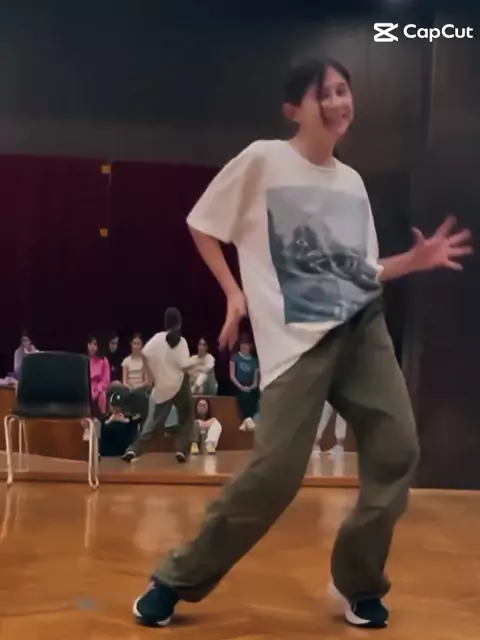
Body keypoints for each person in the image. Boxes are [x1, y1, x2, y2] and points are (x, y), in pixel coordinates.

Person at [131, 56, 472, 630]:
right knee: (275, 474)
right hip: (296, 343)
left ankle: (358, 582)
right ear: (295, 109)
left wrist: (411, 262)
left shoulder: (351, 182)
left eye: (344, 91)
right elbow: (202, 223)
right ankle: (176, 578)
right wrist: (233, 292)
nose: (339, 103)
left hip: (361, 329)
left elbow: (359, 272)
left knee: (397, 450)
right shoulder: (264, 160)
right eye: (324, 94)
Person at [122, 308, 194, 464]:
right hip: (180, 385)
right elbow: (185, 367)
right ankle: (181, 449)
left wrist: (151, 376)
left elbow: (143, 354)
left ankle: (133, 449)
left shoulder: (157, 339)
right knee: (188, 417)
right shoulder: (182, 342)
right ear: (179, 324)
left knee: (154, 424)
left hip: (163, 388)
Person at [230, 336, 260, 431]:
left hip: (250, 386)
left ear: (250, 346)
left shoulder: (254, 361)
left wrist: (251, 387)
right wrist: (241, 387)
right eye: (242, 344)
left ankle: (249, 420)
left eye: (246, 344)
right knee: (243, 395)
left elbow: (255, 380)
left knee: (256, 395)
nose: (244, 346)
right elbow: (232, 376)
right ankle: (247, 418)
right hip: (238, 384)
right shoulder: (235, 358)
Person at [87, 335, 110, 417]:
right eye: (90, 344)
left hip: (99, 389)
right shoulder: (84, 359)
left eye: (95, 344)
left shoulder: (104, 361)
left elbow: (105, 380)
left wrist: (97, 391)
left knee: (102, 397)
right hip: (87, 387)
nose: (92, 347)